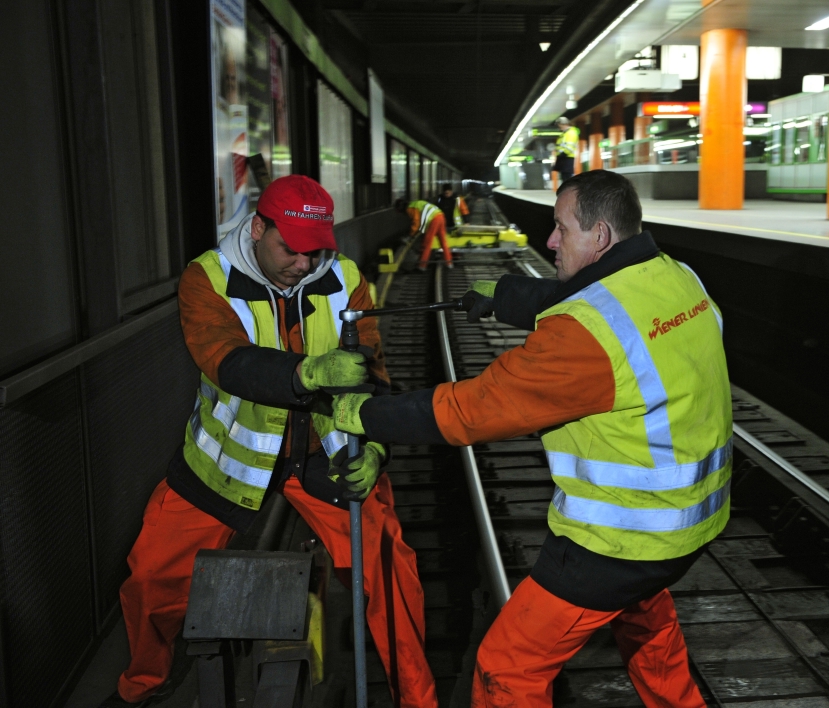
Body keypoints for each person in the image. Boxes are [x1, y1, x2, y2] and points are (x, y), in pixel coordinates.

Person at [333, 170, 730, 707]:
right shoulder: (677, 278)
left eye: (561, 229)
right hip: (690, 523)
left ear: (600, 237)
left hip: (616, 542)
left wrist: (370, 414)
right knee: (649, 634)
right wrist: (505, 298)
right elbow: (594, 300)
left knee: (506, 667)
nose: (549, 240)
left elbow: (473, 410)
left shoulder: (585, 335)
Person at [103, 175, 437, 708]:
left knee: (391, 572)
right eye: (292, 250)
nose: (305, 264)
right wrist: (308, 373)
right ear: (259, 227)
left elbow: (374, 371)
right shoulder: (208, 278)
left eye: (316, 251)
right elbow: (224, 360)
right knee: (150, 577)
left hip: (322, 454)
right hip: (228, 461)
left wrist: (376, 449)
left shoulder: (345, 277)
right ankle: (144, 682)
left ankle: (418, 700)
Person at [396, 197, 453, 270]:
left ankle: (422, 266)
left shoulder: (410, 208)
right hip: (441, 216)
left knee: (427, 243)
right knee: (443, 242)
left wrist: (410, 236)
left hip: (434, 219)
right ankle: (449, 263)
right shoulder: (416, 203)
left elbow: (416, 223)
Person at [552, 116, 580, 183]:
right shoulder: (565, 133)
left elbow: (570, 146)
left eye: (559, 124)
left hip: (566, 157)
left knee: (566, 176)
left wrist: (563, 154)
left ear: (563, 124)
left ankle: (567, 191)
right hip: (563, 156)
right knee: (564, 176)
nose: (559, 126)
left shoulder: (571, 133)